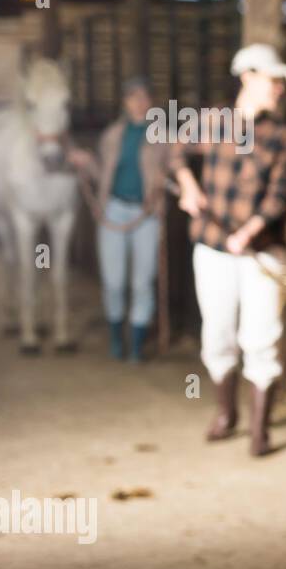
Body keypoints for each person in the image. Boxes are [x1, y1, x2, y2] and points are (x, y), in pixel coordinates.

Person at [169, 44, 286, 457]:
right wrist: (188, 186)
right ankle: (227, 414)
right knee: (217, 333)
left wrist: (249, 233)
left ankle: (259, 430)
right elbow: (173, 153)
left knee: (262, 337)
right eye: (272, 79)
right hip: (212, 248)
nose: (279, 87)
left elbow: (280, 196)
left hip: (261, 253)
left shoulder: (282, 136)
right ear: (247, 76)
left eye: (281, 81)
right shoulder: (210, 122)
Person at [67, 76, 170, 362]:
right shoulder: (112, 136)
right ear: (124, 102)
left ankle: (135, 345)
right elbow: (103, 175)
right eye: (133, 96)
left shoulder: (161, 135)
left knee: (142, 281)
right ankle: (116, 337)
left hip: (146, 213)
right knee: (113, 281)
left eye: (144, 96)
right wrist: (87, 163)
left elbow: (175, 163)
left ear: (151, 101)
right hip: (114, 210)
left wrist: (168, 178)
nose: (139, 102)